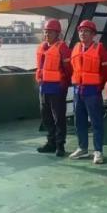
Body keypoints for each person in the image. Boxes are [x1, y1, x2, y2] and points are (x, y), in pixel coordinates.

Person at [69, 20, 107, 164]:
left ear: (93, 34)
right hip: (77, 90)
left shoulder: (100, 49)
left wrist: (99, 85)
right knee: (79, 120)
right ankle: (83, 148)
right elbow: (72, 67)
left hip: (92, 90)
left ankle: (98, 151)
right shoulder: (75, 48)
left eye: (86, 31)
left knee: (96, 121)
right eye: (81, 31)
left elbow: (105, 71)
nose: (83, 33)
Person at [35, 19, 72, 157]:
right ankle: (51, 143)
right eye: (45, 32)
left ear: (57, 33)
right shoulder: (42, 47)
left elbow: (68, 69)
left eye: (50, 32)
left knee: (59, 117)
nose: (47, 34)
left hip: (57, 87)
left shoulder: (62, 48)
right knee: (46, 116)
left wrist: (64, 82)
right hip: (44, 87)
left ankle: (60, 145)